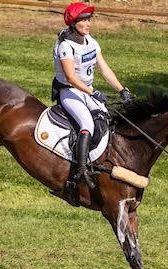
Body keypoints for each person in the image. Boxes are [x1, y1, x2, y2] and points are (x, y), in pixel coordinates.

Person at [53, 2, 132, 189]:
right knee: (87, 124)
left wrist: (122, 90)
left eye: (88, 19)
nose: (88, 23)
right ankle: (79, 171)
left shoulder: (91, 42)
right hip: (69, 92)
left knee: (105, 117)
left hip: (86, 90)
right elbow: (71, 78)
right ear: (73, 23)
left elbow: (105, 70)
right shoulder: (66, 46)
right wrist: (94, 92)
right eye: (83, 20)